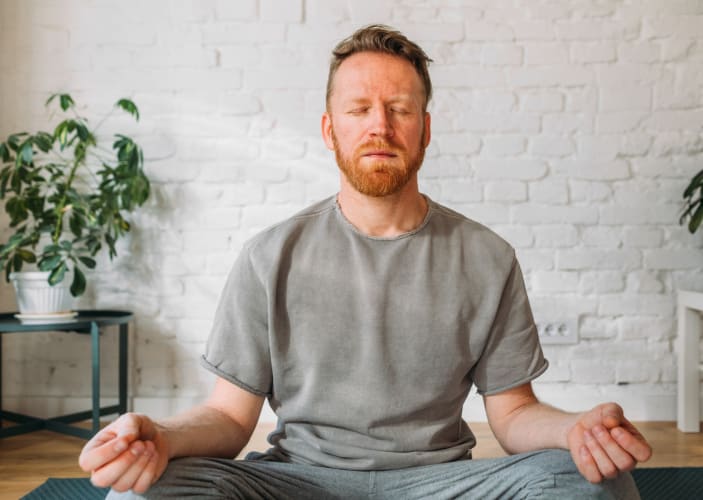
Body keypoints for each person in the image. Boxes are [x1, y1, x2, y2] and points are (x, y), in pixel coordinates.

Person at [79, 25, 652, 499]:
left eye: (399, 109)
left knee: (598, 483)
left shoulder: (488, 256)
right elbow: (230, 421)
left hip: (440, 484)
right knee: (140, 490)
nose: (379, 125)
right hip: (298, 483)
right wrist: (161, 435)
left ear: (424, 130)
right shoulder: (269, 256)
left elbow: (513, 413)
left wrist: (574, 430)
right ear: (331, 131)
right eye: (359, 109)